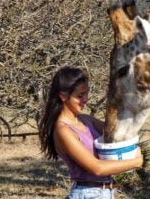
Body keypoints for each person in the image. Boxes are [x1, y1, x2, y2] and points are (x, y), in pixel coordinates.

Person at [38, 66, 143, 199]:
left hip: (105, 192)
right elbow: (97, 168)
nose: (86, 99)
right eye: (80, 96)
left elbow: (117, 132)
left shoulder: (87, 120)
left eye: (87, 94)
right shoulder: (63, 130)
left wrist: (118, 95)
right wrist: (136, 162)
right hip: (88, 194)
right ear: (63, 96)